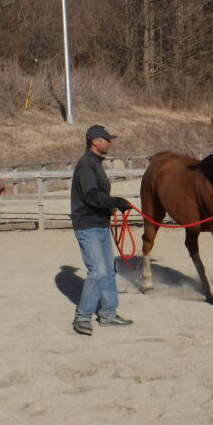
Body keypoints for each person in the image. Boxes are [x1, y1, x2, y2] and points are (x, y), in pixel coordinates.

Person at [69, 124, 134, 336]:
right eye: (106, 139)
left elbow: (98, 196)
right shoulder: (86, 165)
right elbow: (91, 196)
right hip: (88, 226)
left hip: (99, 224)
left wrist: (112, 205)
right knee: (97, 271)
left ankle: (108, 314)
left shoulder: (94, 163)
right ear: (95, 142)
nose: (109, 142)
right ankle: (82, 318)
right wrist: (114, 201)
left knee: (108, 270)